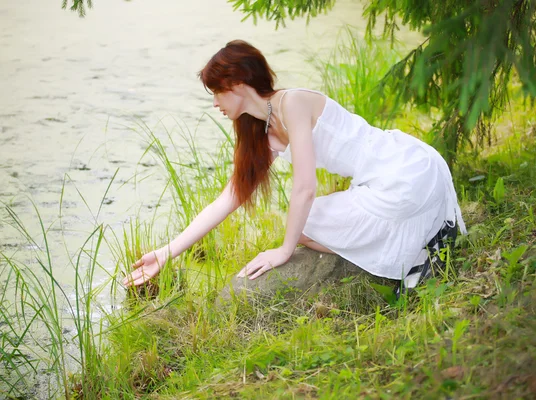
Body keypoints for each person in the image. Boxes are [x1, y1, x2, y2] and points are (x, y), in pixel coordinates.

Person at [123, 40, 466, 292]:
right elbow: (227, 199)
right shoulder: (263, 135)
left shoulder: (294, 102)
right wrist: (167, 252)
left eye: (217, 92)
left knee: (300, 225)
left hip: (404, 168)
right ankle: (427, 243)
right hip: (381, 181)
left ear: (238, 85)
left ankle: (421, 248)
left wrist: (285, 251)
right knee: (303, 223)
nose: (214, 103)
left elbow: (305, 186)